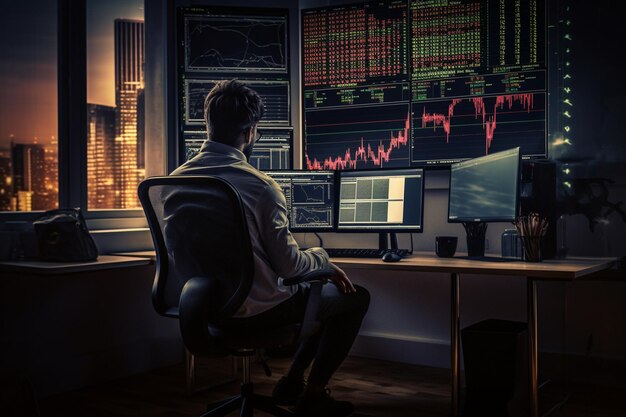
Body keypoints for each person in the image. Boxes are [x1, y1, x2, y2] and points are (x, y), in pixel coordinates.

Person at [171, 79, 370, 417]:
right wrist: (322, 260)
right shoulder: (260, 186)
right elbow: (291, 268)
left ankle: (292, 382)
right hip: (259, 313)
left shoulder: (172, 183)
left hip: (201, 310)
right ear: (250, 132)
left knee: (316, 299)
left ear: (209, 124)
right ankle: (313, 394)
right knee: (353, 297)